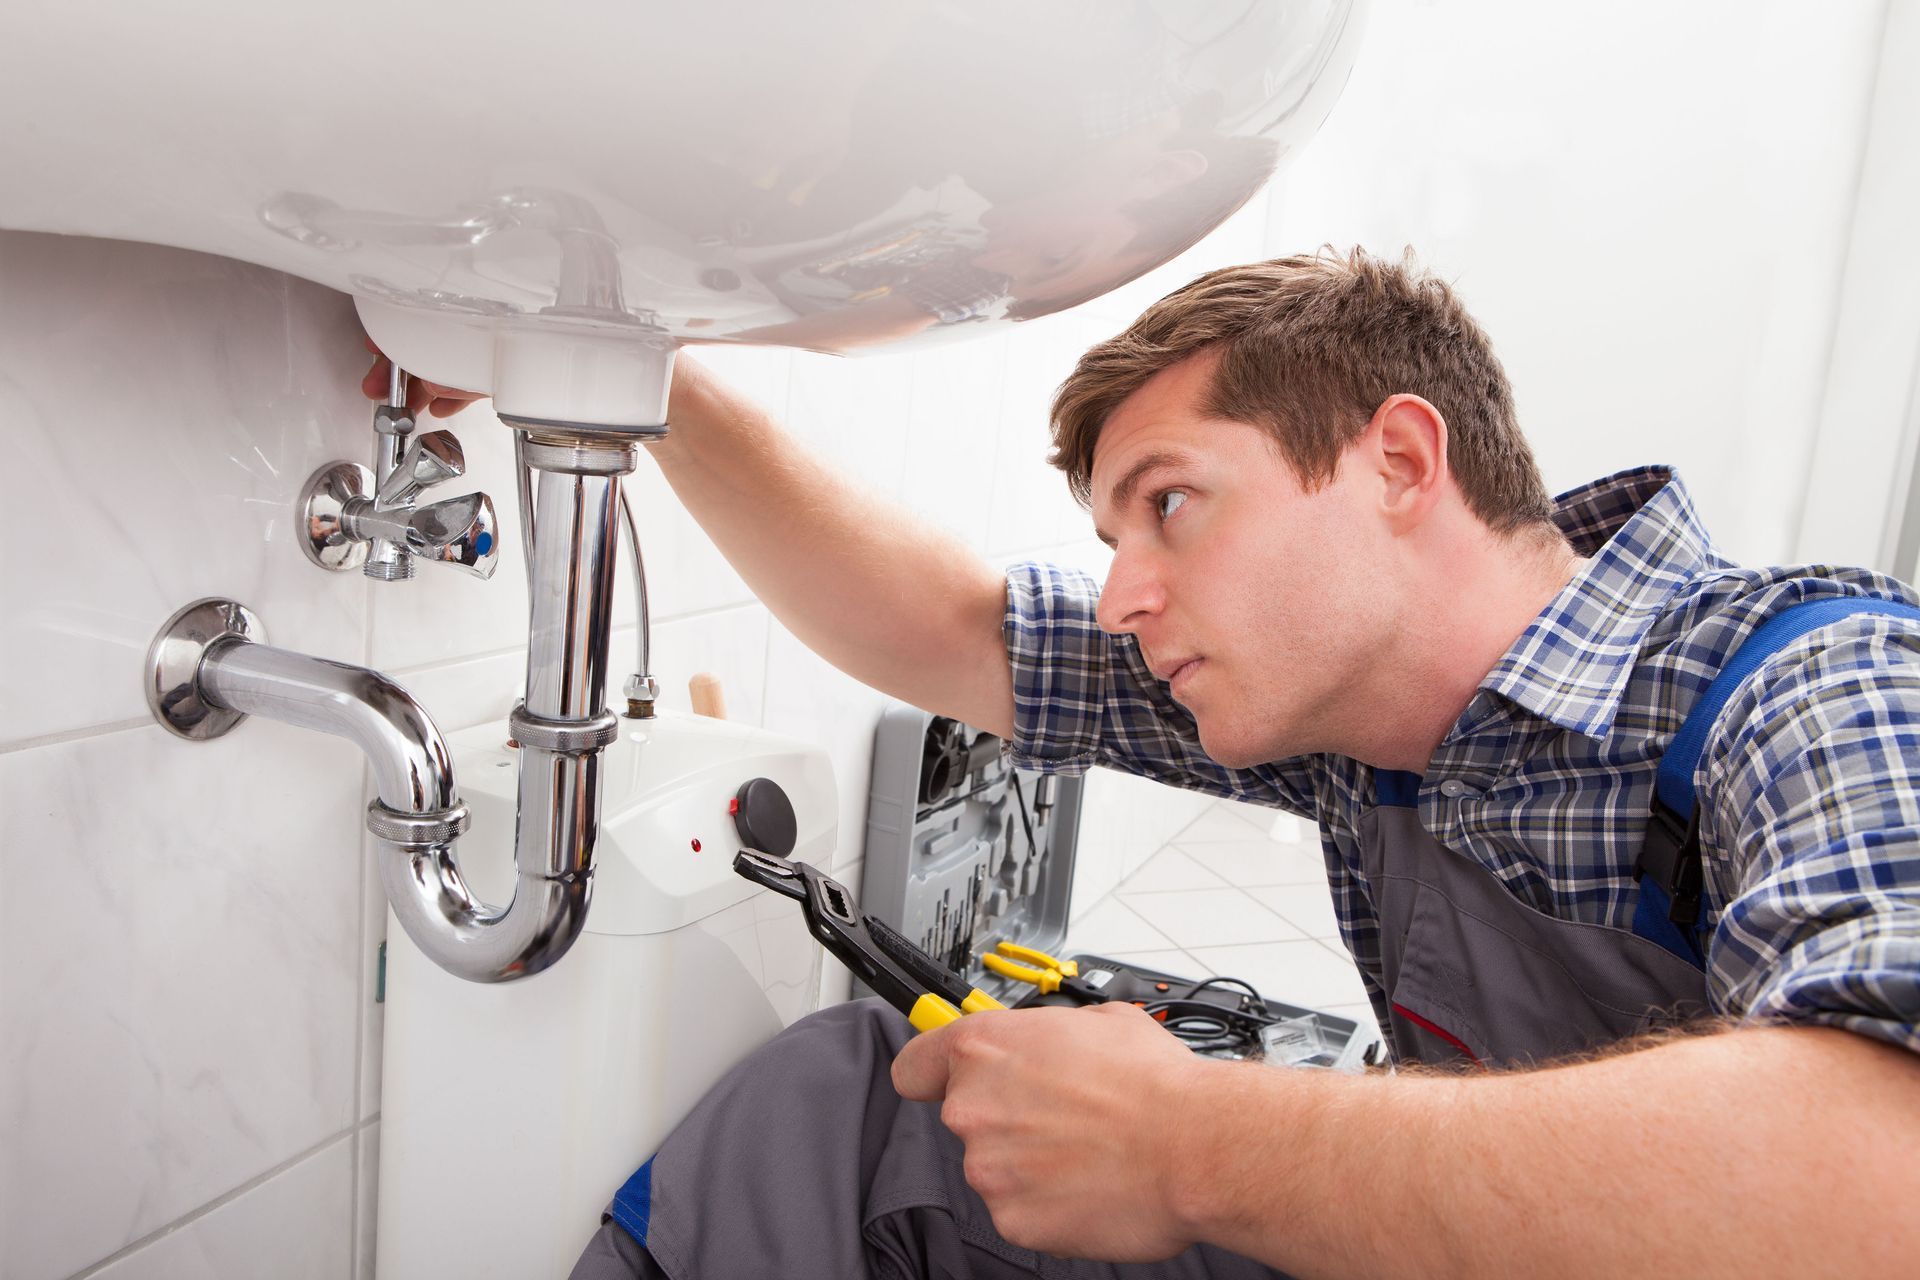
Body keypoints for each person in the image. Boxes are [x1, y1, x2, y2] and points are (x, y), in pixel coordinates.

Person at [366, 248, 1920, 1278]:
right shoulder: (1358, 735)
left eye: (1169, 505)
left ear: (1397, 460)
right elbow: (958, 628)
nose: (1121, 595)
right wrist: (634, 374)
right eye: (1111, 540)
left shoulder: (1816, 683)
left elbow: (1879, 1183)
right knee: (871, 1107)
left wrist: (1197, 1146)